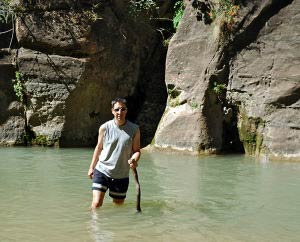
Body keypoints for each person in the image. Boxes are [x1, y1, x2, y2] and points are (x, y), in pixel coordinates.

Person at [88, 97, 141, 209]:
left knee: (118, 207)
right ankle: (93, 225)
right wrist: (92, 167)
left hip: (121, 174)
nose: (119, 112)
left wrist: (134, 160)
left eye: (123, 109)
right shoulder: (104, 128)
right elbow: (98, 148)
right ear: (112, 111)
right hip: (102, 170)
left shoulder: (135, 129)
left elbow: (136, 151)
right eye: (117, 109)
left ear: (126, 110)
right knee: (96, 203)